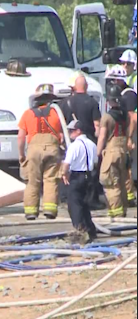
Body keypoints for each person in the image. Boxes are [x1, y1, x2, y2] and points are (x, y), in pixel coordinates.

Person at [18, 84, 64, 220]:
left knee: (32, 181)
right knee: (51, 180)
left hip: (33, 150)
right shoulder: (57, 113)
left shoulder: (27, 114)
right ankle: (49, 210)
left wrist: (21, 155)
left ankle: (31, 212)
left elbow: (21, 137)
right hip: (52, 148)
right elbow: (62, 135)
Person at [60, 73, 103, 208]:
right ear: (87, 86)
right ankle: (91, 200)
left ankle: (66, 197)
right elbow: (97, 125)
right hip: (88, 140)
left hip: (70, 140)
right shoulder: (92, 102)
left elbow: (60, 124)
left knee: (69, 167)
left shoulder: (64, 103)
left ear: (73, 87)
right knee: (89, 170)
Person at [98, 86, 131, 218]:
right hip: (123, 152)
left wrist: (97, 154)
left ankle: (116, 213)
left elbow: (102, 136)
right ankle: (120, 211)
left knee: (110, 182)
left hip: (111, 152)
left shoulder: (107, 117)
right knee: (122, 181)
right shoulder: (125, 115)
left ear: (109, 101)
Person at [62, 120, 98, 242]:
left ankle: (80, 230)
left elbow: (66, 164)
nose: (70, 133)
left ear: (78, 131)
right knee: (85, 204)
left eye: (72, 131)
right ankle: (91, 230)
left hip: (77, 176)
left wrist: (64, 174)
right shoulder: (92, 144)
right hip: (89, 176)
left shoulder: (74, 146)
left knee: (75, 205)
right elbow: (95, 161)